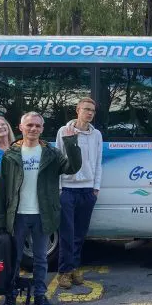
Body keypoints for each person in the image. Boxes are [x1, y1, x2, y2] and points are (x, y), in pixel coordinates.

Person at [0, 112, 82, 305]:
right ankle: (10, 296)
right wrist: (0, 217)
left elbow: (73, 167)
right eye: (29, 125)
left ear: (42, 129)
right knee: (14, 258)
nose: (33, 129)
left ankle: (40, 296)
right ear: (21, 127)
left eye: (37, 126)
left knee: (41, 259)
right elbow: (2, 188)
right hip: (17, 215)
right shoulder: (11, 154)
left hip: (43, 214)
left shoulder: (50, 154)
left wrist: (71, 142)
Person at [56, 98, 103, 288]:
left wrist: (96, 187)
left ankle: (74, 268)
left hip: (87, 190)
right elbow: (58, 160)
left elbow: (98, 162)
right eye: (86, 109)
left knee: (80, 234)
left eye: (92, 110)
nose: (90, 113)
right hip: (67, 189)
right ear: (77, 110)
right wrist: (59, 188)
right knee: (67, 233)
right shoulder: (64, 131)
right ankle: (64, 272)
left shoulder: (97, 134)